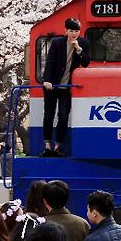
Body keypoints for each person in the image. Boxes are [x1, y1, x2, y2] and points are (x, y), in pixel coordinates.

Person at [42, 18, 90, 157]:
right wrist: (46, 80)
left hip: (67, 87)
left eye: (76, 31)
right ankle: (47, 146)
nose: (74, 34)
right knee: (48, 115)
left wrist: (78, 50)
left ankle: (57, 146)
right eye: (71, 31)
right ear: (66, 31)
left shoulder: (83, 43)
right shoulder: (57, 43)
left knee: (63, 116)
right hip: (52, 85)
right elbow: (49, 62)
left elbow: (86, 63)